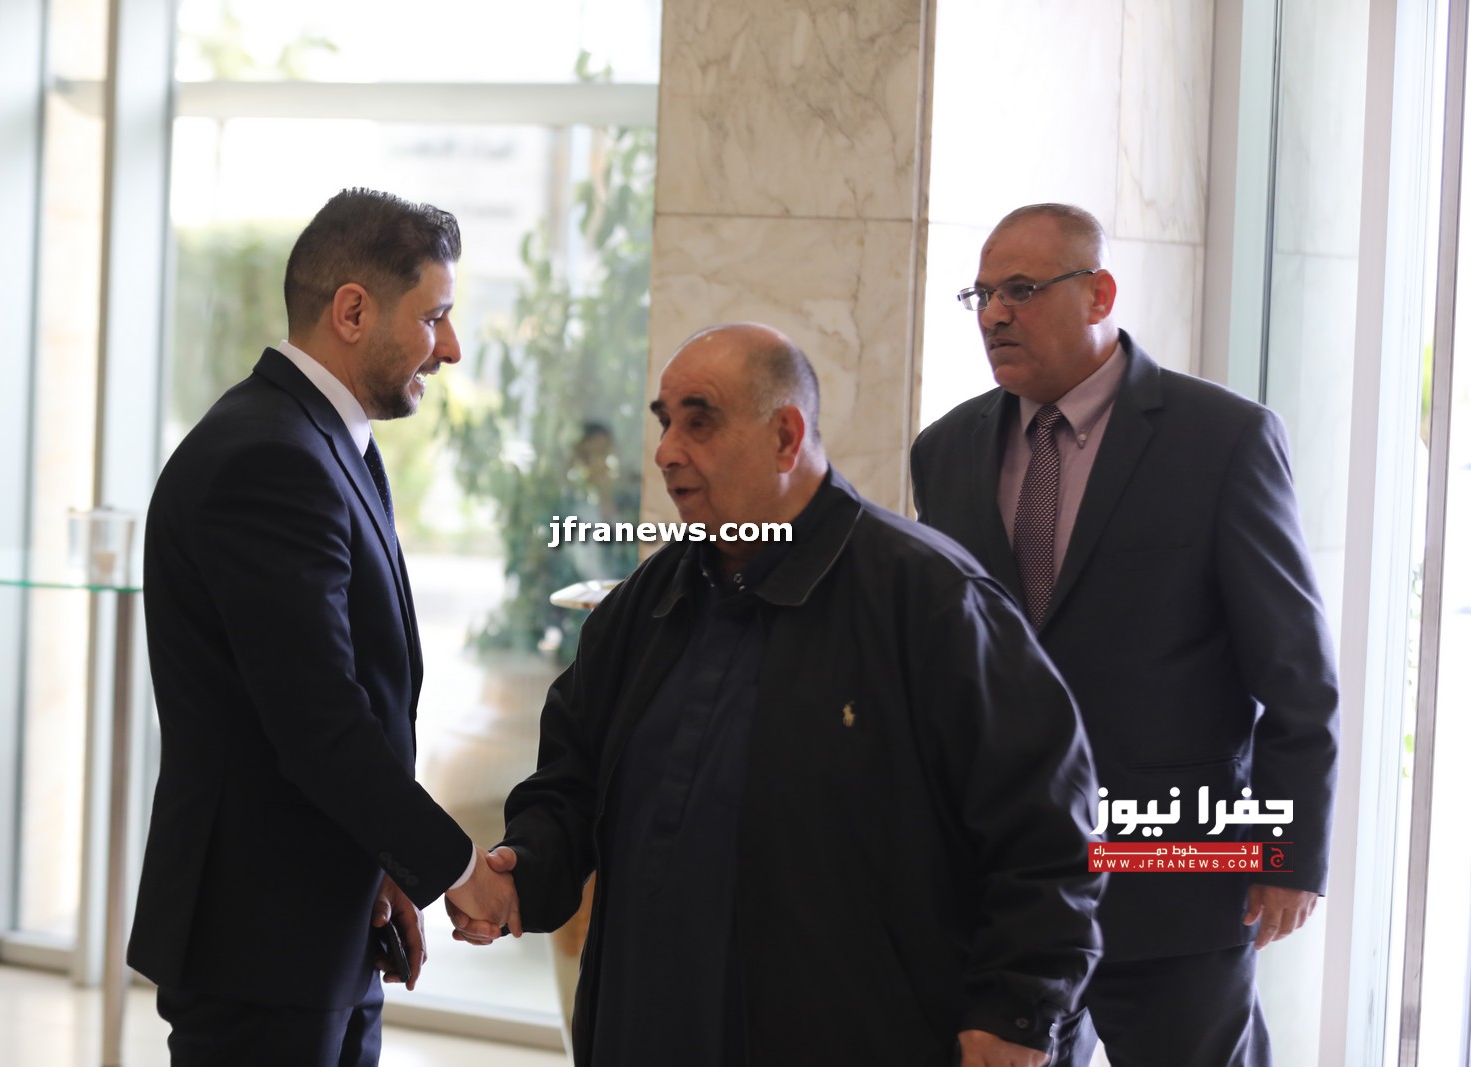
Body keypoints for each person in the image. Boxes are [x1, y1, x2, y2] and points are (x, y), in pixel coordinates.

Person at [467, 323, 1104, 1066]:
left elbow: (1049, 834)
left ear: (785, 436)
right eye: (665, 422)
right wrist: (524, 870)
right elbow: (571, 782)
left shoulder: (929, 600)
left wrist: (1017, 1015)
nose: (667, 450)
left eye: (699, 422)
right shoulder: (649, 602)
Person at [909, 204, 1341, 1066]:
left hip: (1174, 882)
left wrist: (1289, 852)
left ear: (1099, 293)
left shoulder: (1223, 439)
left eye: (1020, 290)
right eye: (982, 295)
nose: (994, 315)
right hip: (1003, 890)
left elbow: (1297, 674)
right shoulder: (944, 451)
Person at [128, 188, 520, 1067]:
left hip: (320, 925)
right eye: (434, 317)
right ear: (352, 311)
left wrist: (384, 862)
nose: (451, 347)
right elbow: (318, 722)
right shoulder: (271, 457)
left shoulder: (318, 440)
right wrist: (457, 869)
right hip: (261, 942)